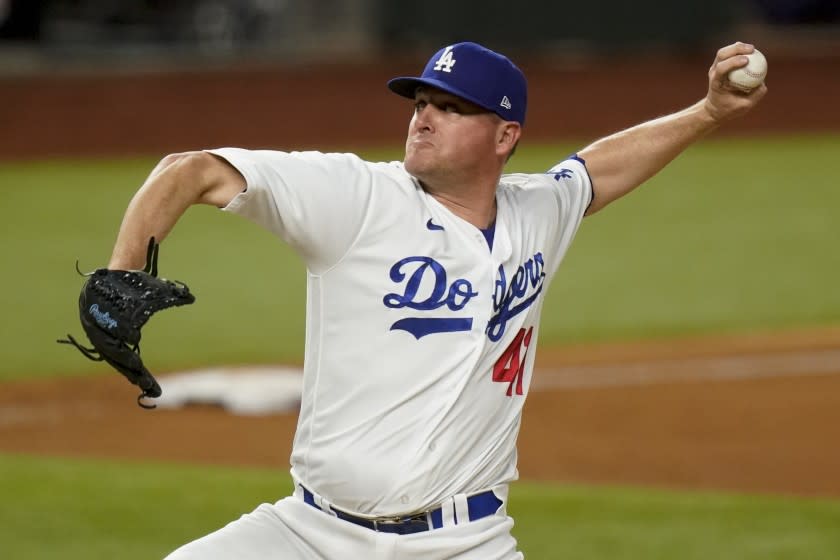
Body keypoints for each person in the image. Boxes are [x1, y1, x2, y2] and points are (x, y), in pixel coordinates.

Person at [107, 41, 765, 559]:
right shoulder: (355, 198)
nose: (423, 115)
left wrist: (706, 112)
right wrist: (119, 277)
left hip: (463, 544)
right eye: (421, 100)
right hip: (309, 534)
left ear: (504, 137)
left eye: (450, 107)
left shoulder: (537, 213)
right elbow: (191, 170)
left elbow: (595, 171)